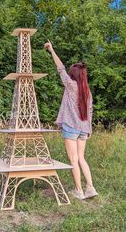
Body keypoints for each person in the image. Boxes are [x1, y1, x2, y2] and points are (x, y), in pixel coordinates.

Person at [44, 40, 98, 200]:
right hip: (83, 129)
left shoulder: (70, 85)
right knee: (82, 158)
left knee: (73, 159)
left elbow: (59, 68)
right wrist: (89, 130)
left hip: (71, 128)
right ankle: (90, 188)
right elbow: (90, 112)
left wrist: (51, 50)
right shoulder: (87, 91)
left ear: (73, 75)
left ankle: (78, 191)